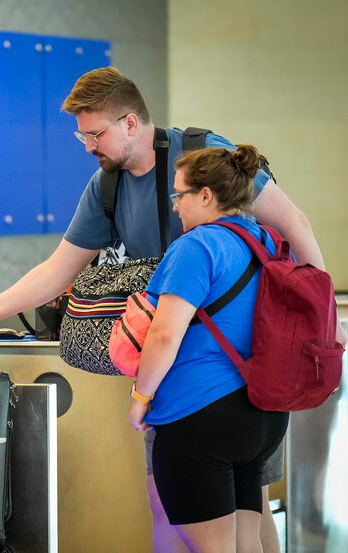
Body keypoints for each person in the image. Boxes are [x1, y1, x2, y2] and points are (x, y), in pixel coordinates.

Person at [0, 67, 344, 553]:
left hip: (235, 376)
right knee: (197, 513)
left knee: (239, 516)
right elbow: (59, 270)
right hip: (184, 386)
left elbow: (293, 223)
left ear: (131, 123)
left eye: (95, 134)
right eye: (81, 136)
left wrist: (323, 319)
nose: (89, 147)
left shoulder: (200, 160)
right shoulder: (106, 186)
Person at [128, 144, 289, 552]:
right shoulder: (266, 241)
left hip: (200, 419)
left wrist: (140, 398)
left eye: (178, 195)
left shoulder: (196, 247)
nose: (175, 207)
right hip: (260, 418)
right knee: (245, 544)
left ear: (205, 196)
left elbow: (164, 336)